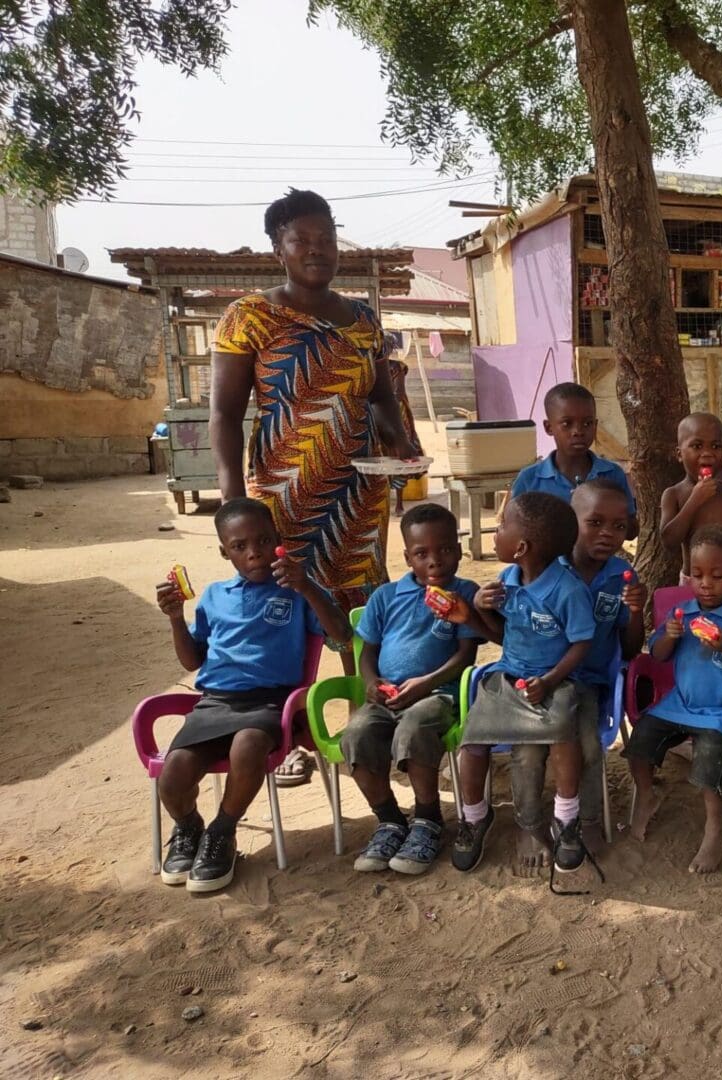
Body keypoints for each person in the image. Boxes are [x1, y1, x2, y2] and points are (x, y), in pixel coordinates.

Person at [210, 189, 419, 787]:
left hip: (358, 494)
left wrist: (400, 443)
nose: (318, 251)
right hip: (283, 494)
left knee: (359, 608)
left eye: (327, 240)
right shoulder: (250, 317)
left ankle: (366, 722)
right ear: (279, 249)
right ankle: (290, 732)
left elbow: (379, 397)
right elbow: (225, 414)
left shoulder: (361, 318)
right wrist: (232, 500)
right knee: (287, 608)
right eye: (303, 242)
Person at [154, 498, 349, 893]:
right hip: (215, 703)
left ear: (279, 541)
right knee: (173, 775)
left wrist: (307, 585)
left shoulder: (297, 590)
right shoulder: (214, 596)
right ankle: (190, 828)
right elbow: (193, 660)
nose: (254, 552)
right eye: (239, 546)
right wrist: (176, 618)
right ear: (224, 551)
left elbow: (342, 636)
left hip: (271, 704)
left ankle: (222, 832)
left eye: (262, 540)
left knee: (247, 747)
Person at [451, 492, 598, 882]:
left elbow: (583, 643)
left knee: (563, 734)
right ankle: (475, 817)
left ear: (520, 547)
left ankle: (566, 820)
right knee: (472, 744)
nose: (494, 533)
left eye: (500, 527)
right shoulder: (506, 580)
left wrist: (549, 680)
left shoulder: (566, 589)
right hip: (508, 676)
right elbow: (502, 635)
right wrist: (478, 609)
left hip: (555, 681)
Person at [342, 504, 483, 876]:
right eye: (422, 554)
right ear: (408, 557)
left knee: (414, 727)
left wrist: (426, 683)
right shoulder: (386, 597)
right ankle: (389, 820)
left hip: (441, 695)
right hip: (387, 696)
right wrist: (371, 683)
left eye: (445, 550)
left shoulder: (465, 593)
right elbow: (367, 651)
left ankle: (428, 819)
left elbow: (466, 655)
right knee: (356, 734)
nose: (435, 561)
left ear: (458, 548)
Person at [625, 524, 722, 874]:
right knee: (641, 740)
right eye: (697, 575)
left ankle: (715, 827)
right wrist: (670, 637)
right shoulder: (683, 613)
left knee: (707, 754)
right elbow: (657, 656)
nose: (705, 583)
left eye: (717, 575)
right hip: (681, 703)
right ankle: (647, 794)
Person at [567, 479, 648, 849]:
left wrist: (634, 612)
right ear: (572, 521)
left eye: (619, 526)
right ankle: (529, 823)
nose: (608, 534)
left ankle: (587, 820)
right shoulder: (550, 568)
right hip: (542, 677)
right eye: (595, 523)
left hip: (591, 680)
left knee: (585, 738)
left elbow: (630, 649)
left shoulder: (621, 576)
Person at [511, 382, 638, 540]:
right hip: (549, 564)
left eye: (587, 423)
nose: (578, 431)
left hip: (598, 563)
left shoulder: (612, 474)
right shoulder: (530, 479)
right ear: (548, 427)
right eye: (567, 424)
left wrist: (602, 519)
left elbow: (631, 531)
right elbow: (513, 535)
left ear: (595, 425)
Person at [660, 412, 722, 587]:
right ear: (679, 454)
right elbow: (669, 542)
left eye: (716, 446)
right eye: (697, 446)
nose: (708, 454)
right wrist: (694, 500)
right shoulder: (674, 494)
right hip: (693, 583)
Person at [384, 330, 424, 515]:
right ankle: (395, 504)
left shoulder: (396, 367)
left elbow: (398, 394)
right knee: (387, 457)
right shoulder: (386, 367)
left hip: (395, 414)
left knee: (397, 455)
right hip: (389, 413)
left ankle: (399, 504)